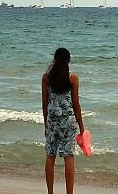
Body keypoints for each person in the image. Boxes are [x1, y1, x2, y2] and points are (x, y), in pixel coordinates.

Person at [41, 47, 85, 194]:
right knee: (68, 157)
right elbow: (76, 104)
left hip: (52, 121)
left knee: (50, 156)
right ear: (68, 61)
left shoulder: (46, 78)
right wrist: (82, 127)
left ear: (54, 60)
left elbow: (45, 103)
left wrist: (45, 124)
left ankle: (50, 192)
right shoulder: (73, 78)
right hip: (68, 122)